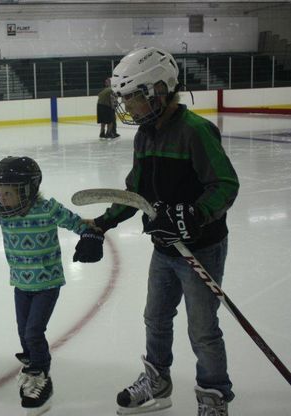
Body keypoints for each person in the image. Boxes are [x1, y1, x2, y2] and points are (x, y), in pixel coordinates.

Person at [87, 47, 239, 415]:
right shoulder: (145, 135)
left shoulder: (196, 132)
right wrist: (103, 223)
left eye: (134, 98)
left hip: (200, 248)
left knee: (203, 329)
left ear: (158, 90)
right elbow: (136, 192)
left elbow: (224, 184)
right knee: (155, 318)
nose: (128, 107)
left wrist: (194, 214)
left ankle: (214, 395)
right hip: (165, 248)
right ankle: (157, 381)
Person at [0, 156, 104, 415]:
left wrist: (90, 234)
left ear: (27, 190)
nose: (1, 198)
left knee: (34, 331)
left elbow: (75, 222)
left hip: (47, 284)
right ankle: (31, 356)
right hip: (21, 285)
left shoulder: (47, 208)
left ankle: (40, 370)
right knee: (24, 330)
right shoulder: (2, 213)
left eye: (7, 193)